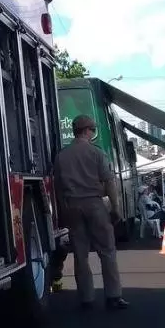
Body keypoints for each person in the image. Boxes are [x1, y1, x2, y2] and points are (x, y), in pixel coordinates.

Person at [52, 114, 129, 311]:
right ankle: (113, 296)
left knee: (80, 253)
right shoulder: (96, 153)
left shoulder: (62, 156)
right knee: (107, 251)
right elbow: (109, 181)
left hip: (72, 206)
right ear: (87, 131)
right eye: (92, 130)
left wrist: (63, 210)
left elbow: (58, 188)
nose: (93, 133)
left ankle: (86, 297)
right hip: (94, 205)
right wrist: (116, 208)